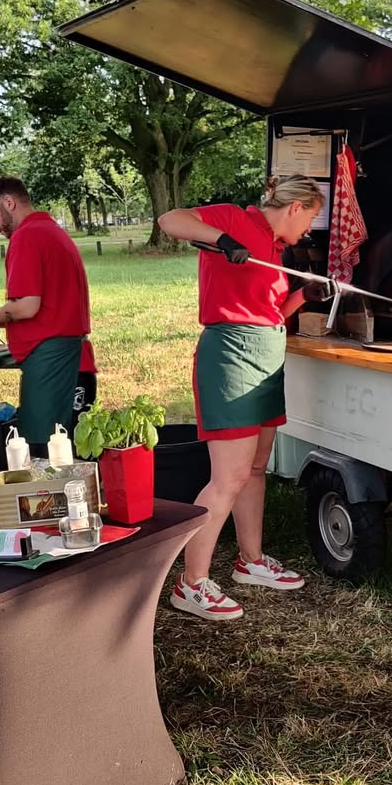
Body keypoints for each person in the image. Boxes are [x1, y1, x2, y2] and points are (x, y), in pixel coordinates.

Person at [158, 174, 332, 621]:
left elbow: (268, 312)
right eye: (309, 219)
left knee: (256, 469)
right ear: (295, 207)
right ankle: (190, 583)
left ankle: (250, 561)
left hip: (267, 357)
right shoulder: (235, 218)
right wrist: (222, 239)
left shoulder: (276, 248)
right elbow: (170, 220)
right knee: (229, 477)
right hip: (231, 358)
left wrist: (302, 296)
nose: (307, 231)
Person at [0, 176, 91, 451]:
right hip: (70, 352)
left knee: (42, 447)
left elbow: (26, 306)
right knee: (64, 445)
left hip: (48, 356)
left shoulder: (27, 236)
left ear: (9, 203)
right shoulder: (51, 230)